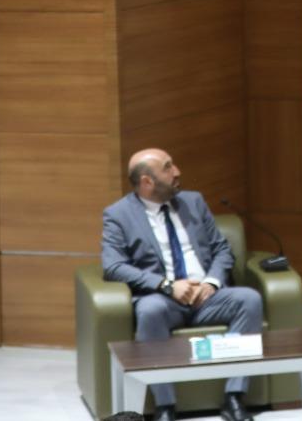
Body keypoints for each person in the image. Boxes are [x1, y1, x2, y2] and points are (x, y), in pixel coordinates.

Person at [101, 149, 263, 421]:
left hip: (207, 298)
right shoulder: (118, 214)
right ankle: (165, 406)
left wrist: (211, 282)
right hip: (162, 300)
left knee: (249, 299)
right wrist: (167, 285)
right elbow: (113, 266)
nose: (177, 172)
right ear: (147, 182)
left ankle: (234, 396)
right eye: (167, 167)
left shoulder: (193, 201)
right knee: (149, 310)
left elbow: (221, 249)